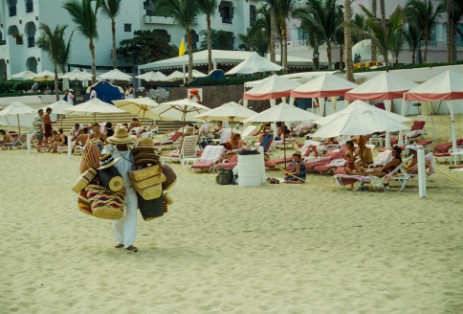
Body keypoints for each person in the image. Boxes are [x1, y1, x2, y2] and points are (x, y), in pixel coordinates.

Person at [102, 125, 138, 252]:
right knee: (117, 217)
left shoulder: (133, 153)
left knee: (132, 216)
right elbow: (102, 166)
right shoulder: (110, 151)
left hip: (131, 189)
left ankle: (129, 243)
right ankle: (120, 241)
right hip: (115, 190)